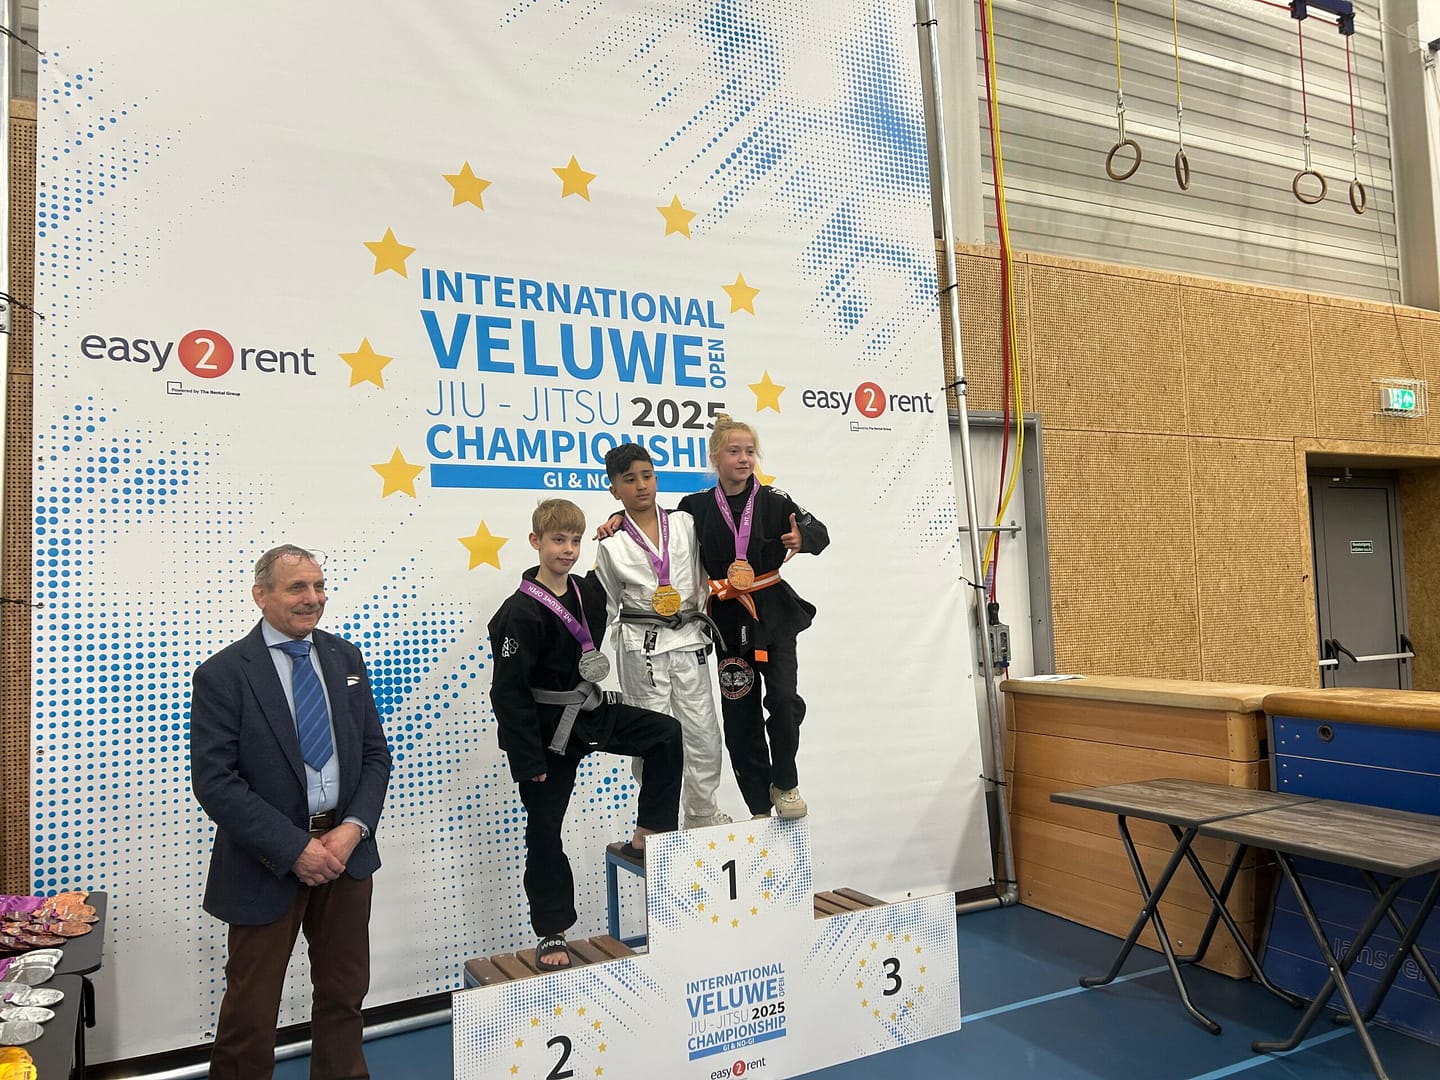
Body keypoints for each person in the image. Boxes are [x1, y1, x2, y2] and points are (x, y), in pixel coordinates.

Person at [190, 544, 392, 1080]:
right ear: (261, 595)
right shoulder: (223, 674)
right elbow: (215, 782)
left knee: (345, 995)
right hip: (265, 863)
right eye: (297, 587)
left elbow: (375, 755)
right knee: (250, 1012)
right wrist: (295, 848)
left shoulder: (345, 659)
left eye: (319, 586)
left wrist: (352, 829)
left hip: (346, 857)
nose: (313, 598)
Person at [488, 498, 683, 971]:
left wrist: (621, 521)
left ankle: (648, 833)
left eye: (575, 541)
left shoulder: (588, 593)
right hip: (545, 732)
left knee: (665, 734)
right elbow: (508, 693)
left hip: (590, 711)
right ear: (535, 542)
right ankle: (551, 931)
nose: (568, 550)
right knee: (544, 830)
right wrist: (527, 761)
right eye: (558, 540)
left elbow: (640, 550)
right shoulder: (517, 613)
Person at [677, 417, 828, 820]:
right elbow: (661, 533)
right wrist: (619, 521)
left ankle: (786, 783)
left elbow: (820, 532)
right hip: (728, 621)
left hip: (774, 615)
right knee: (740, 716)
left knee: (783, 700)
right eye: (734, 451)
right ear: (715, 457)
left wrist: (803, 538)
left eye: (749, 451)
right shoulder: (695, 507)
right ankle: (759, 803)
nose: (744, 459)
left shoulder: (776, 501)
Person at [595, 443, 732, 829]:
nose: (641, 485)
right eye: (629, 480)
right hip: (642, 650)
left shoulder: (686, 523)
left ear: (656, 478)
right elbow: (604, 606)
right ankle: (658, 823)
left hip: (688, 641)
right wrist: (585, 655)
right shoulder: (611, 544)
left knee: (703, 734)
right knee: (653, 738)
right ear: (614, 490)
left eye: (647, 476)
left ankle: (702, 814)